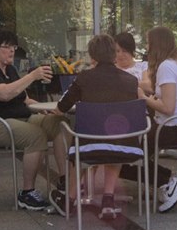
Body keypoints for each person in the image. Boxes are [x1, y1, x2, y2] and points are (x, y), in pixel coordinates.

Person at [52, 34, 145, 220]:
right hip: (126, 148)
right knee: (115, 135)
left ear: (93, 56)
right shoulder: (131, 81)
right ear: (113, 55)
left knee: (84, 139)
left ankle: (69, 200)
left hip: (88, 148)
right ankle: (108, 199)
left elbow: (61, 107)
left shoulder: (84, 78)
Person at [0, 29, 69, 213]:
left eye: (13, 47)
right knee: (35, 136)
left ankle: (64, 181)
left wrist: (43, 108)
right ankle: (27, 193)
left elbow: (24, 99)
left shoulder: (11, 69)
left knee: (58, 122)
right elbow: (4, 94)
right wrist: (32, 76)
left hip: (23, 117)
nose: (12, 51)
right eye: (7, 47)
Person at [137, 26, 177, 212]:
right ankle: (167, 181)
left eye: (148, 42)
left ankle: (171, 179)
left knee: (130, 154)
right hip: (176, 126)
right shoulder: (173, 64)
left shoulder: (166, 67)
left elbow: (168, 108)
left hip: (171, 128)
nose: (146, 47)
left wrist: (144, 99)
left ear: (156, 44)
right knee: (134, 152)